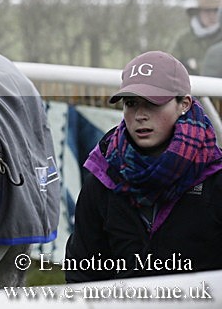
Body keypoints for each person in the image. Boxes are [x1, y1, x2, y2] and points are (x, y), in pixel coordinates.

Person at [64, 50, 222, 283]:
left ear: (184, 103)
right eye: (131, 103)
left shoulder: (215, 179)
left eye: (152, 104)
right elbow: (83, 269)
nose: (140, 115)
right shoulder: (102, 175)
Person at [169, 0, 222, 75]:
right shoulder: (183, 39)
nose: (212, 15)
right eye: (207, 11)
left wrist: (195, 64)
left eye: (216, 11)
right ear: (199, 12)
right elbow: (171, 66)